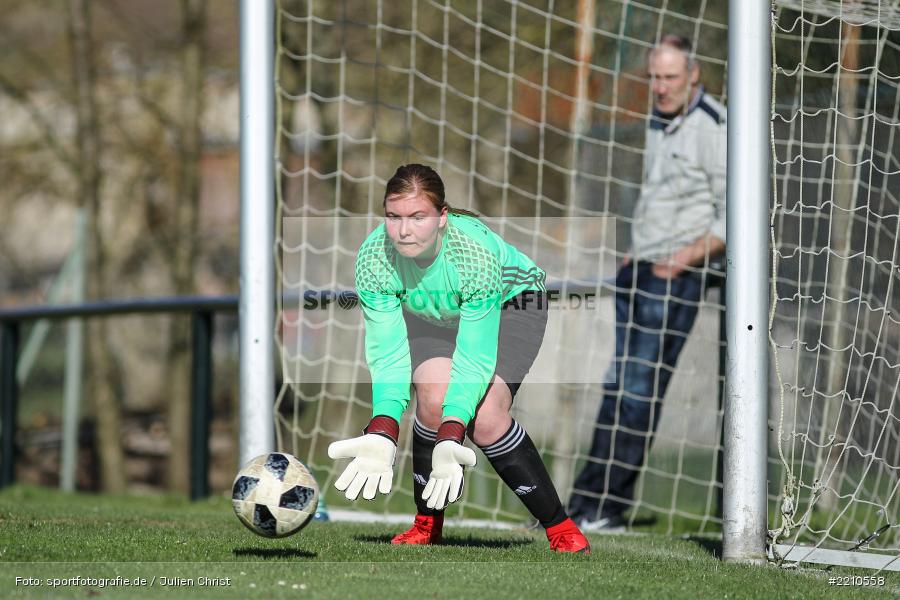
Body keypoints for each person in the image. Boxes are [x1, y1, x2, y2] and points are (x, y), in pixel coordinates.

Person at [328, 163, 590, 553]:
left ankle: (561, 528)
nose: (403, 230)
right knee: (432, 400)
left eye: (418, 217)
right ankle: (426, 525)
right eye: (393, 216)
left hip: (514, 302)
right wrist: (384, 425)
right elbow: (387, 351)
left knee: (484, 420)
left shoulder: (473, 257)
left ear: (442, 218)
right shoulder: (373, 259)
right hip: (434, 312)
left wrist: (454, 431)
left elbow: (474, 357)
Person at [567, 34, 727, 530]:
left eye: (670, 78)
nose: (659, 87)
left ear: (693, 75)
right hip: (639, 268)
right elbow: (660, 194)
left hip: (677, 277)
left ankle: (609, 508)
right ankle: (581, 507)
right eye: (654, 77)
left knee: (639, 389)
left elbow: (733, 215)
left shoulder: (716, 127)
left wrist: (679, 261)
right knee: (616, 385)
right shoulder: (659, 117)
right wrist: (637, 251)